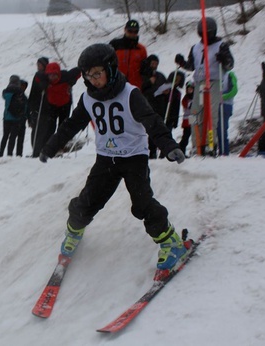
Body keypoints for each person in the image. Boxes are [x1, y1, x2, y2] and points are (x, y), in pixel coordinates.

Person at [39, 43, 187, 271]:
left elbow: (152, 121)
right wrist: (50, 146)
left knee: (142, 204)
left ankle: (171, 242)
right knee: (86, 202)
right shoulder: (88, 98)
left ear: (111, 68)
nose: (93, 80)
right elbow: (71, 125)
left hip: (133, 158)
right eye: (88, 76)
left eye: (98, 73)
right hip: (106, 159)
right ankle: (74, 233)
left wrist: (168, 145)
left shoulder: (131, 94)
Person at [175, 17, 234, 156]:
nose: (205, 36)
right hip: (200, 84)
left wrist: (224, 59)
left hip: (214, 82)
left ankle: (210, 143)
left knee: (211, 112)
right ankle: (197, 144)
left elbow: (230, 64)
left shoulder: (221, 45)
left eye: (207, 33)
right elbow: (192, 65)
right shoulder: (196, 48)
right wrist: (182, 62)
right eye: (202, 33)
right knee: (195, 112)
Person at [33, 62, 81, 158]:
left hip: (65, 104)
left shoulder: (66, 76)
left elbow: (78, 71)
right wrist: (43, 84)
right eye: (50, 75)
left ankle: (60, 148)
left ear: (58, 73)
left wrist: (72, 81)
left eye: (54, 75)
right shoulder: (45, 78)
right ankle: (46, 149)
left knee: (63, 127)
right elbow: (37, 76)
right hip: (52, 106)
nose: (52, 77)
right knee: (50, 127)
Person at [141, 54, 167, 158]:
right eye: (152, 63)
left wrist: (166, 91)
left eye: (156, 64)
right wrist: (148, 82)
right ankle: (149, 151)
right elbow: (142, 90)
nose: (154, 66)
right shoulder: (143, 75)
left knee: (158, 128)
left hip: (160, 105)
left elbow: (166, 85)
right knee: (148, 129)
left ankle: (158, 151)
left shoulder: (160, 76)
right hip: (148, 105)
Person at [110, 19, 147, 89]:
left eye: (135, 31)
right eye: (130, 31)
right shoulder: (115, 45)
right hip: (116, 86)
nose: (132, 34)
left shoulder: (141, 49)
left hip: (135, 87)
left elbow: (145, 71)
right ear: (125, 30)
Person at [0, 75, 27, 157]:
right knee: (12, 137)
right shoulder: (20, 92)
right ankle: (9, 154)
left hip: (6, 118)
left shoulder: (6, 92)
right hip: (16, 118)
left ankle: (0, 154)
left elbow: (5, 98)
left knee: (5, 136)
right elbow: (25, 104)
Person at [29, 57, 49, 157]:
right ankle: (36, 150)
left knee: (41, 130)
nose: (38, 67)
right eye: (38, 65)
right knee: (36, 129)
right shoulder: (38, 75)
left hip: (44, 106)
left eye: (40, 65)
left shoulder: (47, 75)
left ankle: (39, 150)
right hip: (37, 105)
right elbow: (33, 91)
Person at [217, 70, 238, 155]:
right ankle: (219, 149)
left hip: (226, 105)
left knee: (223, 129)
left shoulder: (230, 74)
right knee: (217, 129)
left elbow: (234, 90)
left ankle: (224, 151)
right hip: (216, 105)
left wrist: (223, 96)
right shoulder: (216, 74)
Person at [179, 81, 195, 155]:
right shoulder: (185, 98)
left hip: (193, 118)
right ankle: (182, 150)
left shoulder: (195, 97)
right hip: (187, 119)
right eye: (189, 89)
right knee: (186, 136)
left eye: (191, 89)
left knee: (193, 134)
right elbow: (187, 106)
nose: (190, 90)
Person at [16, 79, 29, 157]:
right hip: (16, 120)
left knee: (21, 138)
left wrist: (29, 119)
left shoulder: (25, 97)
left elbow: (27, 109)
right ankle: (10, 153)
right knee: (14, 138)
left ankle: (19, 154)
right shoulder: (16, 96)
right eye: (22, 86)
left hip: (22, 120)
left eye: (24, 86)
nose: (23, 88)